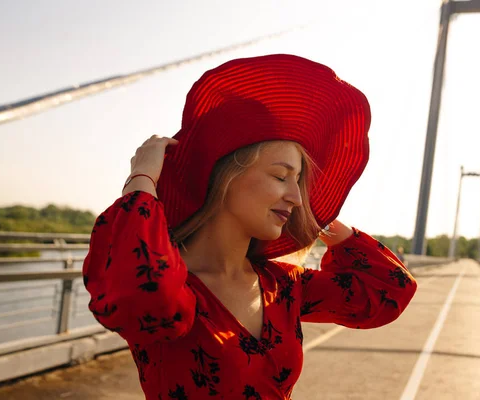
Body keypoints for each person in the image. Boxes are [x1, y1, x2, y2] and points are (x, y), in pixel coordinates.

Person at [83, 54, 417, 400]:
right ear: (224, 177)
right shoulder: (174, 288)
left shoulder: (283, 286)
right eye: (280, 176)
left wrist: (319, 214)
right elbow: (143, 293)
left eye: (299, 182)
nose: (296, 197)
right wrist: (141, 181)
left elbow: (385, 292)